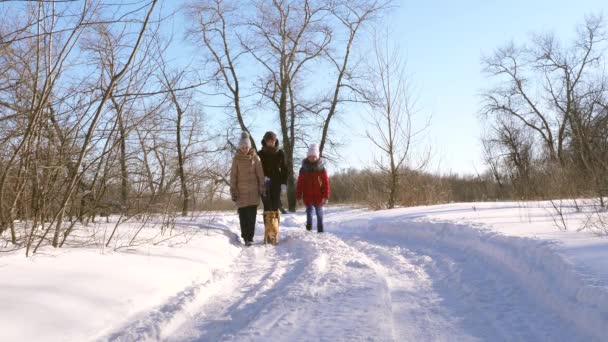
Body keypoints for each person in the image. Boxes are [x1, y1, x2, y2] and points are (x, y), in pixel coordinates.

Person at [230, 132, 265, 246]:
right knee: (243, 216)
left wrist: (261, 188)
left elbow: (260, 175)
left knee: (252, 217)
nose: (245, 149)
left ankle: (250, 237)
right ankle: (245, 237)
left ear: (250, 147)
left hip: (253, 192)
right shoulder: (236, 159)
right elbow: (233, 176)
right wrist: (233, 190)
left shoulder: (256, 158)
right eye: (243, 147)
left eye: (247, 147)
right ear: (240, 147)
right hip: (241, 192)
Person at [257, 131, 288, 239]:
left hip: (276, 184)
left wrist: (284, 183)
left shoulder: (280, 153)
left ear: (275, 141)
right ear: (265, 141)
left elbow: (285, 169)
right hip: (264, 184)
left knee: (275, 208)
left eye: (272, 141)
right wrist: (263, 177)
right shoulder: (260, 154)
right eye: (269, 141)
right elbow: (257, 168)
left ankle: (274, 232)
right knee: (267, 208)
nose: (271, 143)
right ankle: (267, 232)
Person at [296, 144, 330, 233]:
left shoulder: (321, 168)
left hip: (318, 196)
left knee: (319, 213)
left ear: (317, 156)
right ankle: (309, 229)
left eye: (314, 156)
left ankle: (320, 229)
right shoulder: (303, 168)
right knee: (309, 212)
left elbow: (326, 183)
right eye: (310, 156)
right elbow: (300, 183)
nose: (312, 158)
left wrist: (326, 196)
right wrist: (299, 196)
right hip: (307, 195)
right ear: (308, 156)